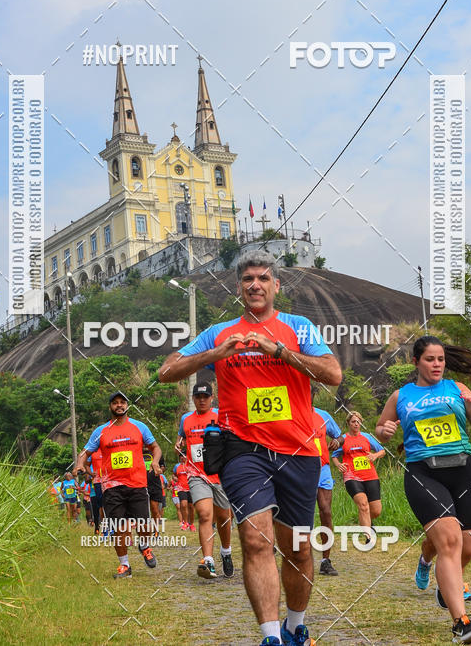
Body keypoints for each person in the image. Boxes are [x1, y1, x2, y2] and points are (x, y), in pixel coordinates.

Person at [159, 251, 342, 646]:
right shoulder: (220, 332)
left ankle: (296, 626)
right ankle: (271, 636)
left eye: (262, 278)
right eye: (247, 279)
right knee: (257, 540)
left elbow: (333, 374)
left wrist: (277, 351)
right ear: (238, 288)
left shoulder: (299, 327)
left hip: (300, 450)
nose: (255, 285)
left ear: (276, 286)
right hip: (244, 451)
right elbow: (167, 370)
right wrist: (216, 354)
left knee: (298, 549)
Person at [376, 335, 471, 644]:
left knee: (468, 546)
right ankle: (461, 622)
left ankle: (439, 575)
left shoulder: (458, 389)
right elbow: (382, 430)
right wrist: (384, 430)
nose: (437, 364)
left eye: (440, 359)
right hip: (423, 473)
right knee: (450, 542)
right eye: (430, 359)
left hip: (465, 471)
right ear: (416, 362)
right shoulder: (401, 395)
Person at [74, 390, 162, 578]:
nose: (119, 405)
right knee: (119, 527)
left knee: (144, 525)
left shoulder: (139, 427)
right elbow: (85, 452)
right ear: (110, 407)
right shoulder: (101, 431)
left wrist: (155, 461)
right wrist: (80, 464)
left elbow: (155, 447)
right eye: (115, 403)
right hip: (111, 487)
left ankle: (144, 545)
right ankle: (125, 566)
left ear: (127, 405)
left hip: (137, 484)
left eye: (122, 402)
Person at [176, 381, 234, 579]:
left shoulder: (221, 416)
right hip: (196, 474)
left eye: (205, 397)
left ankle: (226, 552)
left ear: (212, 398)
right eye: (198, 397)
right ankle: (208, 561)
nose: (202, 400)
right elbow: (181, 439)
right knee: (204, 514)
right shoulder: (186, 420)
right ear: (193, 398)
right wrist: (179, 444)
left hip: (220, 474)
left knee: (224, 517)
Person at [332, 411, 385, 533]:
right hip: (352, 477)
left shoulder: (367, 437)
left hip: (370, 475)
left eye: (358, 421)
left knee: (376, 511)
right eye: (353, 422)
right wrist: (339, 465)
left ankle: (365, 520)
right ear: (348, 423)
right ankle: (369, 536)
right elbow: (334, 456)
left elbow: (382, 451)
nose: (356, 424)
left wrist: (375, 456)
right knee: (363, 505)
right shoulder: (343, 439)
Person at [311, 403, 342, 576]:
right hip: (300, 468)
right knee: (302, 513)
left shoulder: (323, 415)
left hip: (322, 468)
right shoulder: (290, 412)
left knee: (326, 511)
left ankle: (325, 561)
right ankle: (300, 557)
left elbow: (340, 436)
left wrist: (337, 441)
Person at [173, 456, 195, 531]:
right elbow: (174, 475)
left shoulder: (191, 465)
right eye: (181, 457)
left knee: (191, 507)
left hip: (191, 488)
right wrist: (175, 478)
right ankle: (185, 523)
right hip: (181, 488)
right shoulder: (177, 466)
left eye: (184, 457)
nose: (182, 458)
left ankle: (191, 524)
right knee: (183, 504)